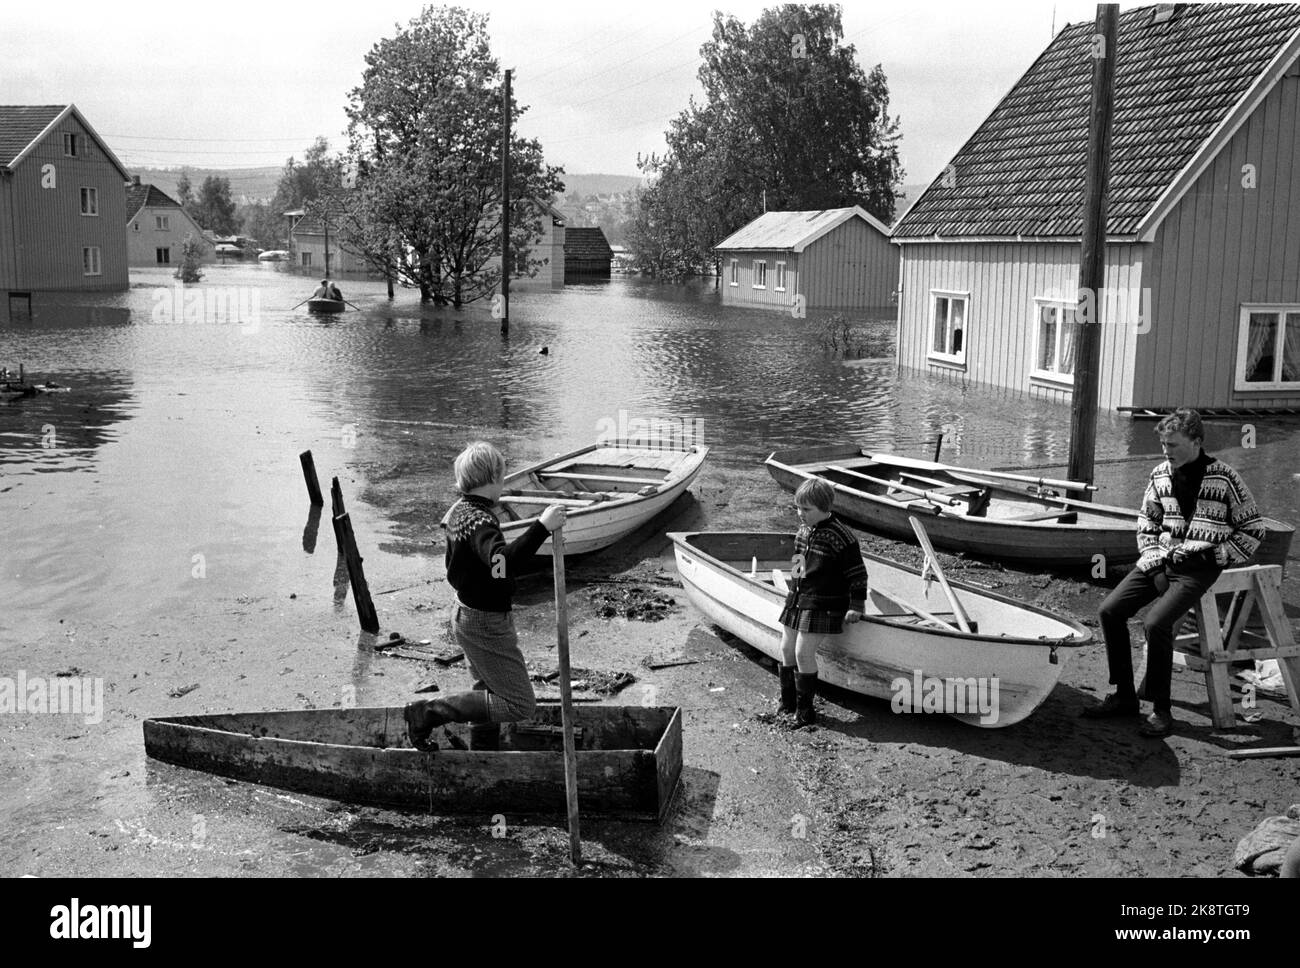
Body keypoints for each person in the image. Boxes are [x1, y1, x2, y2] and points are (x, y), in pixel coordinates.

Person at [1081, 408, 1265, 737]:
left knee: (1156, 623)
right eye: (1163, 444)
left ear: (1196, 442)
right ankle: (1125, 696)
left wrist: (1220, 556)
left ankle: (1162, 711)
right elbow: (1146, 523)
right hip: (1162, 560)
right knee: (1109, 611)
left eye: (1173, 445)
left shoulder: (1224, 478)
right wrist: (1153, 564)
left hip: (1199, 567)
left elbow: (1252, 528)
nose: (1167, 451)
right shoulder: (1160, 474)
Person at [404, 441, 567, 751]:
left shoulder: (459, 511)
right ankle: (429, 712)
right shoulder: (480, 520)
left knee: (486, 693)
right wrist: (542, 527)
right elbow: (500, 564)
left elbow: (487, 568)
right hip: (485, 621)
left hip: (466, 612)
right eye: (503, 477)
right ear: (494, 478)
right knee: (520, 704)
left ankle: (483, 757)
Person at [777, 478, 867, 726]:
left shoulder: (841, 536)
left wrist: (856, 606)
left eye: (806, 510)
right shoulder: (803, 531)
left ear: (825, 509)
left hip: (824, 603)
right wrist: (792, 591)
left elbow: (857, 574)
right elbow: (798, 564)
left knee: (802, 653)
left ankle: (805, 712)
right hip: (799, 599)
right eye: (798, 508)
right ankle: (788, 703)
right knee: (786, 649)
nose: (800, 514)